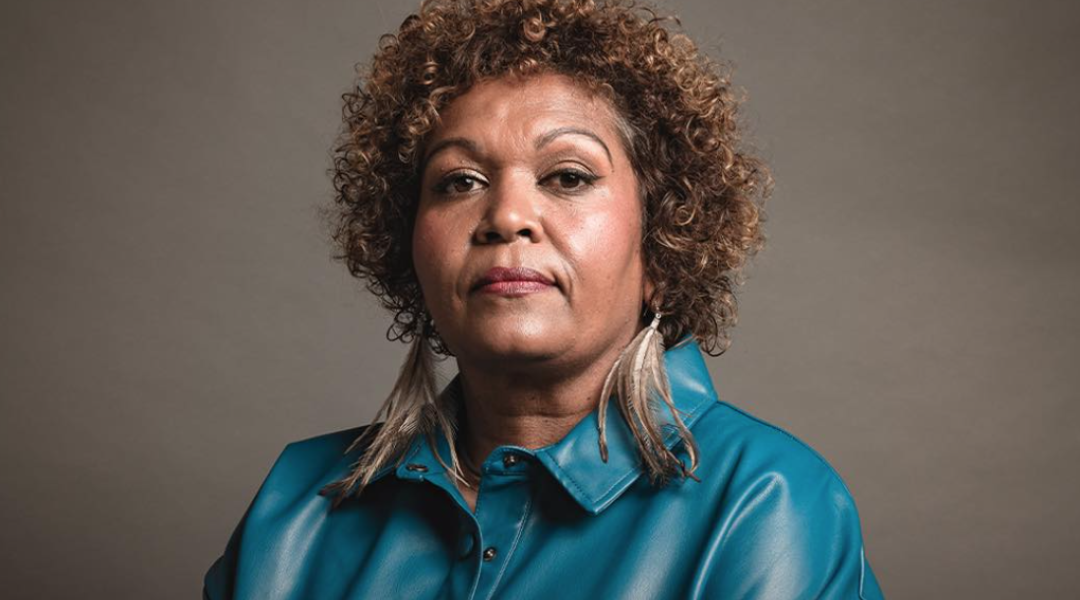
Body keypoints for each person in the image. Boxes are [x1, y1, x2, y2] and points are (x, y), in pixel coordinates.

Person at [204, 0, 884, 598]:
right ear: (409, 248)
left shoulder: (767, 505)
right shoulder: (294, 510)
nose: (506, 216)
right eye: (459, 181)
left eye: (567, 176)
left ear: (662, 241)